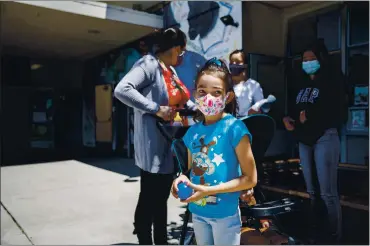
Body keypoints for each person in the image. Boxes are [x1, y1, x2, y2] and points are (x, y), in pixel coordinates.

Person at [114, 27, 191, 245]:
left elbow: (183, 100)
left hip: (170, 141)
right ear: (176, 48)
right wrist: (155, 108)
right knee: (150, 197)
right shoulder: (149, 64)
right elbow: (122, 89)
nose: (181, 56)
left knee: (161, 197)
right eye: (182, 52)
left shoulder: (170, 71)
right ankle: (145, 238)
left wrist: (202, 109)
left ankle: (161, 240)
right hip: (153, 142)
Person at [171, 58, 258, 245]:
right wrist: (179, 180)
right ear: (195, 94)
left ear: (228, 97)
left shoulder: (235, 129)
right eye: (202, 91)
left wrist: (207, 190)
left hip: (225, 215)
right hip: (198, 212)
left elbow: (250, 178)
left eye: (216, 92)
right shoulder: (192, 132)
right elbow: (189, 171)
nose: (208, 97)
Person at [283, 39, 343, 244]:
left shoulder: (332, 79)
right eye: (305, 59)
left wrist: (310, 116)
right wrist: (289, 119)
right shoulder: (301, 83)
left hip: (325, 137)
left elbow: (337, 109)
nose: (308, 62)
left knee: (328, 192)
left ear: (321, 59)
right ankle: (317, 230)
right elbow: (294, 108)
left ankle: (334, 235)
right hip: (304, 140)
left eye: (312, 59)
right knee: (312, 191)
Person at [228, 49, 266, 117]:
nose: (234, 64)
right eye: (231, 62)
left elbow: (260, 111)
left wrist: (250, 113)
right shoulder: (225, 84)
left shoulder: (254, 86)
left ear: (245, 65)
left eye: (237, 62)